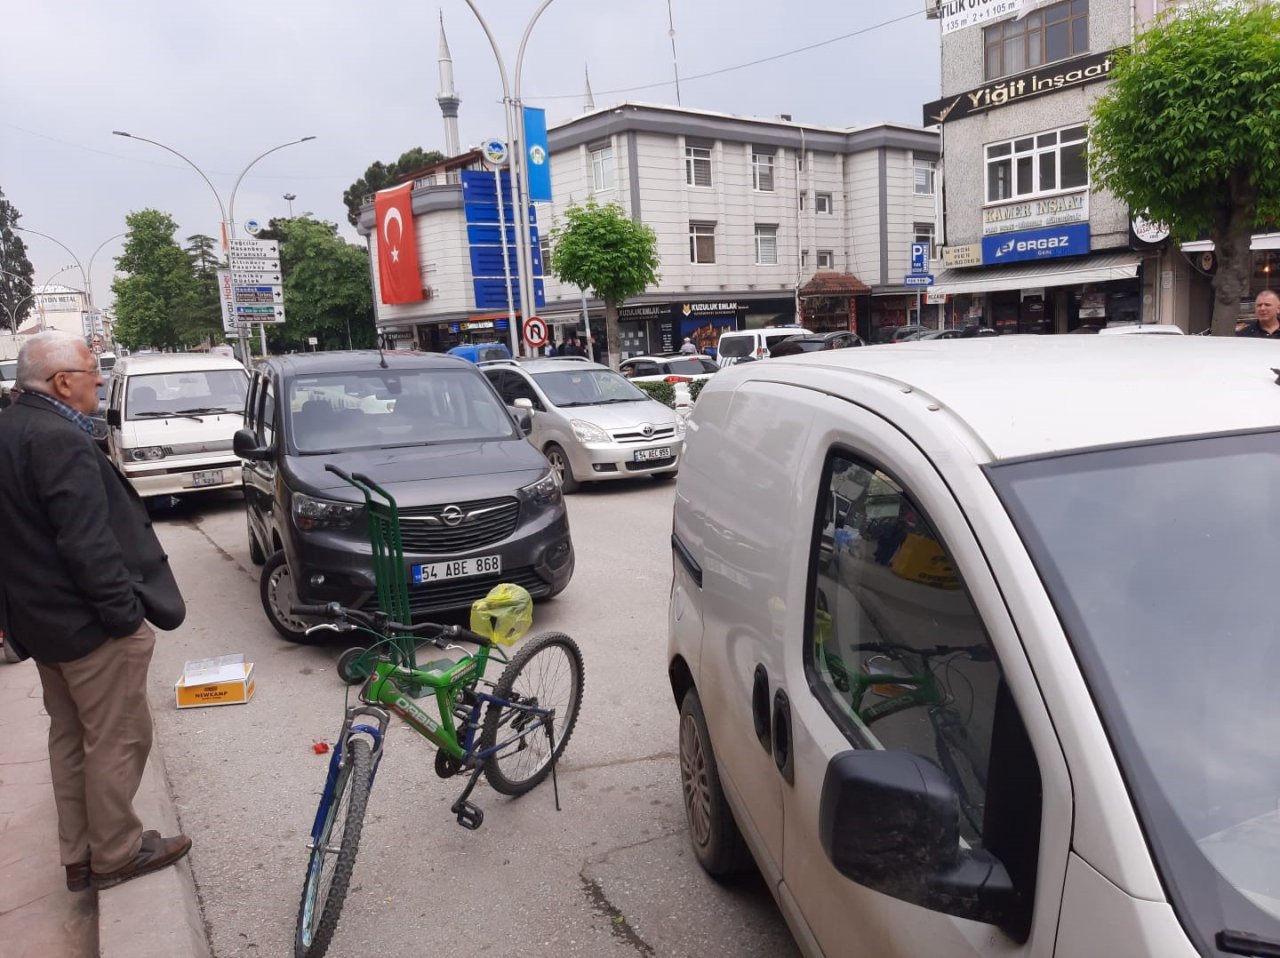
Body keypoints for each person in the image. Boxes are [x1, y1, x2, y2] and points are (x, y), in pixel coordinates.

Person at [0, 331, 190, 892]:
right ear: (62, 383)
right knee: (118, 737)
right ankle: (116, 852)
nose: (100, 379)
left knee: (69, 736)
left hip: (41, 622)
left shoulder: (10, 427)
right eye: (91, 371)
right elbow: (87, 544)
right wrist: (124, 619)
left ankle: (79, 853)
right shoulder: (57, 439)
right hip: (87, 626)